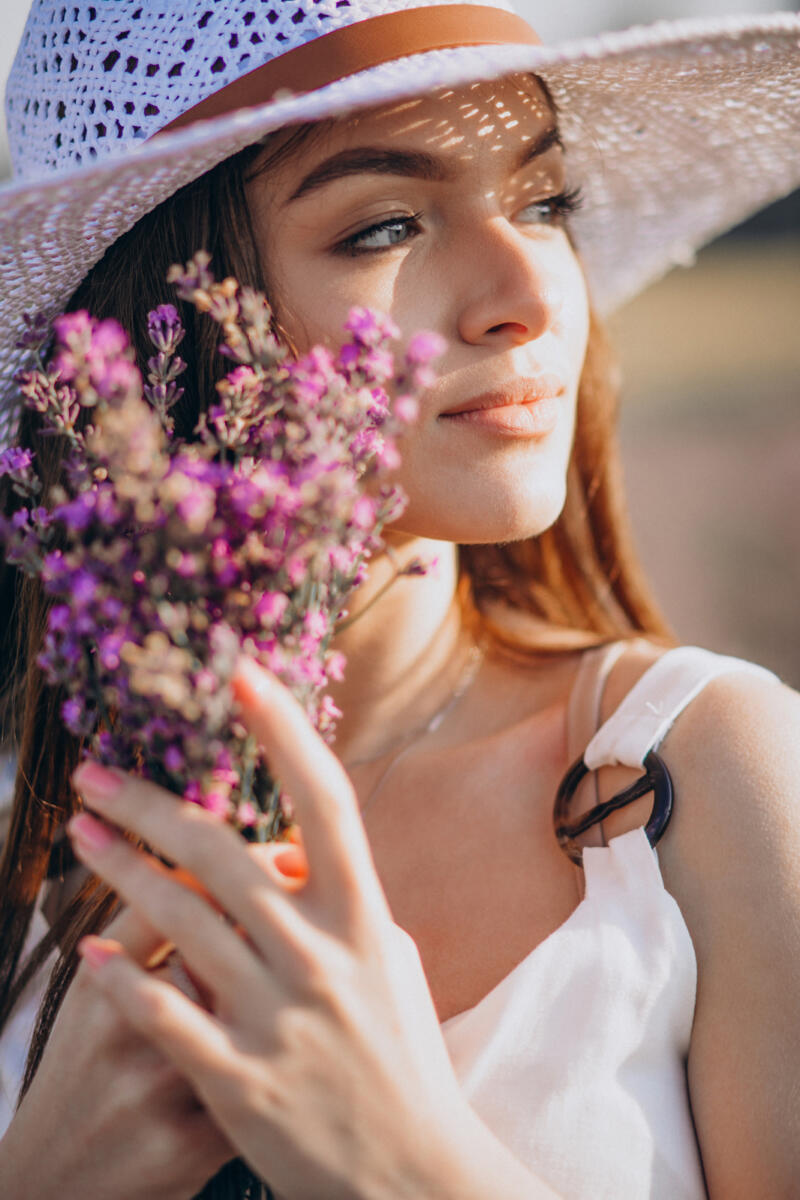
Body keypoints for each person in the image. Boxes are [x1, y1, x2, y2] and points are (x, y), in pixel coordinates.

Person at [0, 1, 799, 1197]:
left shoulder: (702, 779)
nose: (524, 288)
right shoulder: (35, 826)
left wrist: (403, 1161)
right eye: (384, 224)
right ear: (164, 317)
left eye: (543, 201)